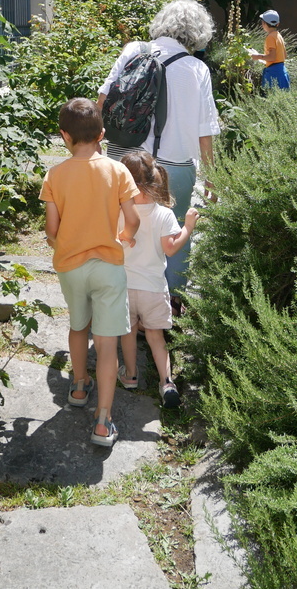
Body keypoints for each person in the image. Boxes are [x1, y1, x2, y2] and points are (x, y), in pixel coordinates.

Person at [98, 0, 220, 315]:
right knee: (175, 226)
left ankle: (120, 293)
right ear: (199, 34)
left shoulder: (133, 51)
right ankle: (171, 301)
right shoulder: (197, 69)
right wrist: (212, 176)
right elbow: (205, 130)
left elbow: (103, 99)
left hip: (125, 158)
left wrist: (97, 148)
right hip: (174, 165)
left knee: (122, 223)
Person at [39, 98, 140, 447]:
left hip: (71, 266)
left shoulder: (54, 175)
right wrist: (124, 238)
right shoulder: (117, 171)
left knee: (78, 327)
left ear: (64, 135)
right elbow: (134, 219)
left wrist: (64, 242)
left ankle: (79, 386)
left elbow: (51, 229)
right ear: (101, 134)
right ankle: (102, 421)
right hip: (109, 267)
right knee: (108, 345)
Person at [116, 150, 199, 409]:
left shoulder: (116, 211)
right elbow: (171, 248)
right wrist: (188, 227)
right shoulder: (162, 214)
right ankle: (167, 382)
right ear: (155, 181)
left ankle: (130, 375)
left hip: (124, 287)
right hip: (153, 288)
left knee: (127, 334)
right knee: (155, 336)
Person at [251, 9, 290, 91]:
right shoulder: (278, 35)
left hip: (274, 73)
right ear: (277, 24)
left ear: (264, 23)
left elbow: (272, 57)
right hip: (282, 71)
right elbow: (284, 55)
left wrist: (257, 56)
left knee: (271, 98)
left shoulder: (270, 37)